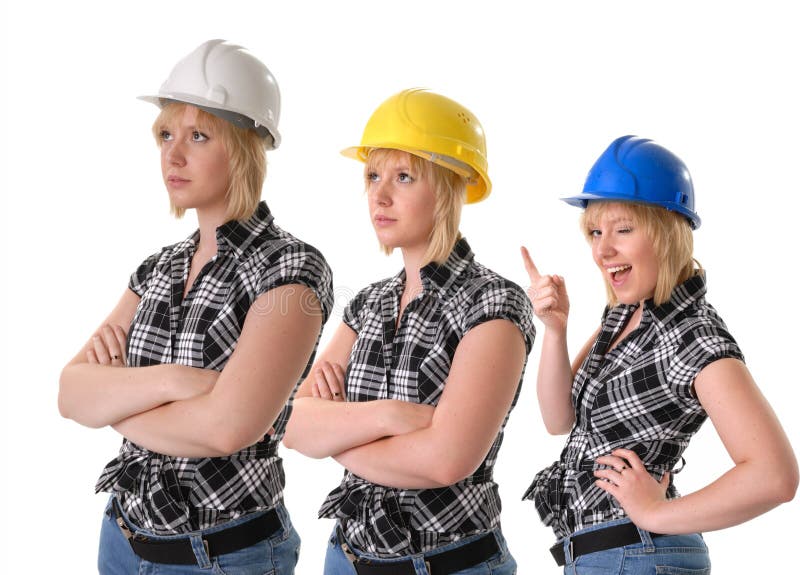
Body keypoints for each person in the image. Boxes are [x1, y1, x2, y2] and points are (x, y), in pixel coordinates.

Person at [58, 39, 333, 574]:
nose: (172, 154)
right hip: (121, 536)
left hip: (224, 553)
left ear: (246, 146)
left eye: (198, 136)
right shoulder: (158, 267)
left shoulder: (291, 269)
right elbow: (71, 394)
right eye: (166, 135)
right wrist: (172, 382)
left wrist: (115, 402)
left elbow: (225, 430)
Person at [283, 88, 535, 574]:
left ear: (448, 186)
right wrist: (396, 416)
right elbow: (292, 426)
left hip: (447, 563)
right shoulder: (368, 302)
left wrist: (337, 434)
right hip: (346, 559)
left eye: (403, 177)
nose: (379, 194)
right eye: (373, 175)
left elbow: (445, 461)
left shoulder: (495, 304)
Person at [521, 135, 798, 573]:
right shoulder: (623, 314)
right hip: (610, 555)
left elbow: (775, 477)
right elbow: (560, 421)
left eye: (623, 229)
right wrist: (555, 331)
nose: (602, 249)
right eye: (595, 231)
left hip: (637, 553)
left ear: (669, 232)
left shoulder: (696, 337)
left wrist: (655, 513)